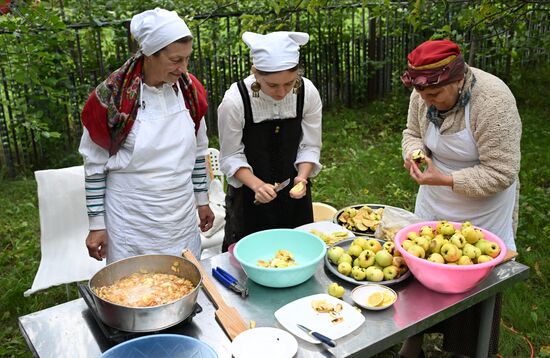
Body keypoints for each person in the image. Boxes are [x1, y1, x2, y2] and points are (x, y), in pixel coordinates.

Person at [399, 39, 521, 357]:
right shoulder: (423, 93)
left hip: (483, 210)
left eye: (435, 95)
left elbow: (501, 172)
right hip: (434, 201)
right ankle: (414, 339)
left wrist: (445, 178)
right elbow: (412, 132)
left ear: (457, 78)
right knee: (422, 270)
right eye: (422, 95)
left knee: (473, 281)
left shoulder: (493, 100)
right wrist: (414, 153)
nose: (428, 102)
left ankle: (467, 349)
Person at [79, 8, 214, 264]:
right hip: (133, 219)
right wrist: (97, 224)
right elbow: (94, 167)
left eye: (187, 59)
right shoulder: (111, 99)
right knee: (136, 289)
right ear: (149, 55)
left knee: (184, 277)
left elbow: (198, 152)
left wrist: (202, 200)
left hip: (180, 214)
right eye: (175, 60)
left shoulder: (189, 92)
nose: (183, 68)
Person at [217, 31, 323, 251]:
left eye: (289, 83)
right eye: (272, 85)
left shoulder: (307, 92)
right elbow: (230, 155)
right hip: (249, 197)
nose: (282, 92)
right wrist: (257, 185)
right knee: (251, 256)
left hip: (295, 196)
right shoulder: (234, 101)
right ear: (255, 73)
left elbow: (310, 145)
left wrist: (302, 178)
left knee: (297, 252)